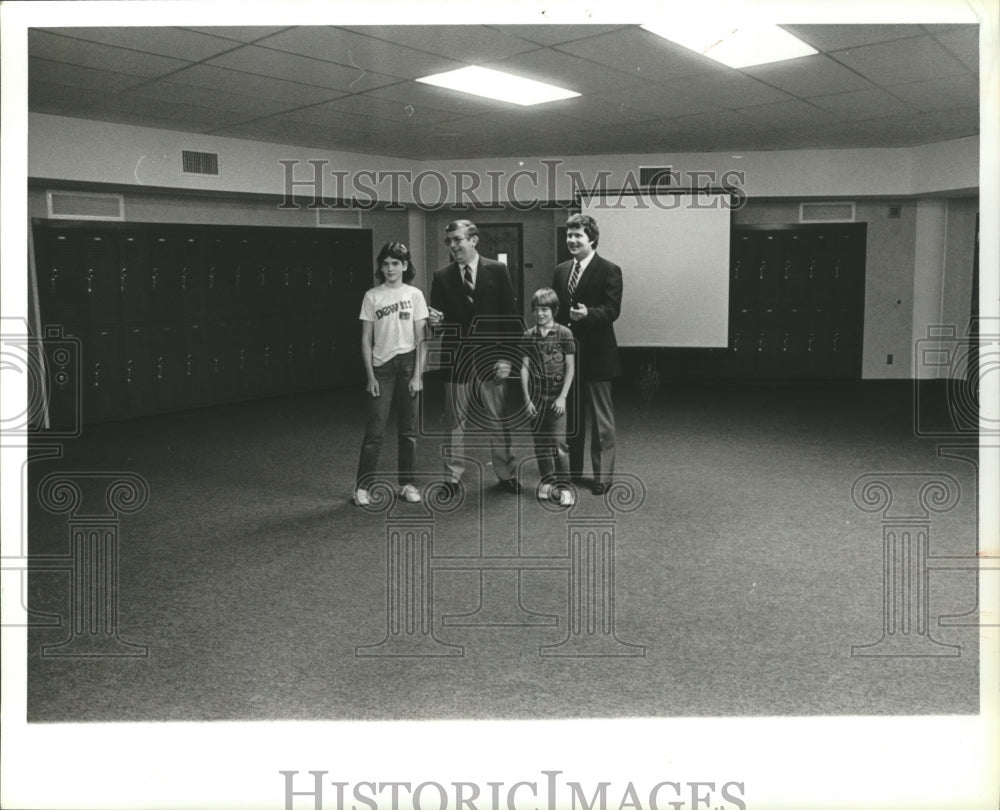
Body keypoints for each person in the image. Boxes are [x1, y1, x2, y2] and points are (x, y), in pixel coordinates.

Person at [428, 219, 521, 494]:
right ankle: (452, 478)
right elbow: (440, 323)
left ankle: (506, 473)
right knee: (455, 422)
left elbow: (511, 319)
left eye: (457, 240)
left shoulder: (498, 270)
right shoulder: (441, 276)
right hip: (456, 360)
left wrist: (507, 359)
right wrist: (435, 323)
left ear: (474, 240)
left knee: (498, 418)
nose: (453, 246)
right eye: (449, 241)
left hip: (492, 359)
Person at [552, 213, 622, 495]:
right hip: (569, 358)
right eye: (569, 235)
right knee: (572, 420)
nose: (571, 240)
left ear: (591, 238)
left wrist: (587, 315)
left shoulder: (609, 270)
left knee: (602, 422)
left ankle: (603, 477)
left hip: (598, 357)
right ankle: (573, 471)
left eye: (577, 235)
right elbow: (556, 310)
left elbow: (612, 310)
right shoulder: (560, 270)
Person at [354, 241, 427, 506]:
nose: (389, 268)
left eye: (395, 263)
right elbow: (365, 339)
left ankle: (407, 484)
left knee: (408, 431)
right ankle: (362, 487)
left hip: (408, 364)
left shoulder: (415, 295)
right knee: (375, 430)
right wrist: (370, 376)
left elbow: (422, 339)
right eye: (385, 263)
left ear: (405, 266)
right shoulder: (372, 296)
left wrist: (418, 375)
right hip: (381, 367)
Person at [520, 287, 576, 507]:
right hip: (536, 398)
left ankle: (564, 488)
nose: (540, 314)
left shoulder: (564, 333)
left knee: (558, 444)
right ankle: (547, 482)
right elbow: (523, 369)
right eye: (536, 310)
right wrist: (526, 399)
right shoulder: (528, 336)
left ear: (554, 310)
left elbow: (570, 368)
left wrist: (562, 397)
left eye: (544, 309)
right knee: (540, 444)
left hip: (556, 398)